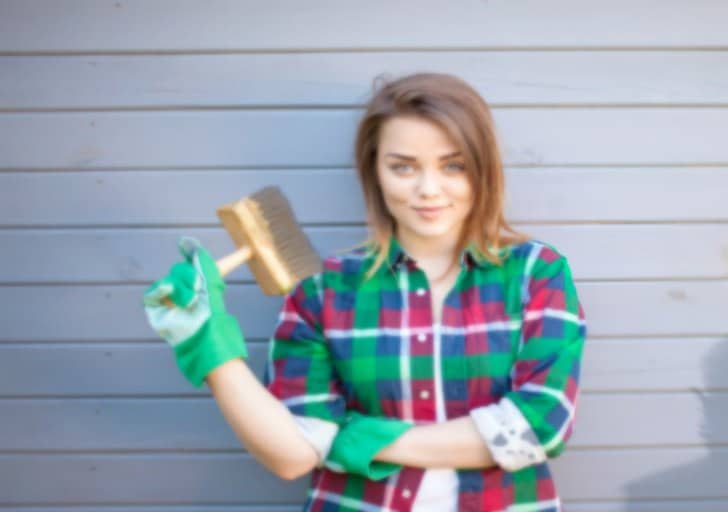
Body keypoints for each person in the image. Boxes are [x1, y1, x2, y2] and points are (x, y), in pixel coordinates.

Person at [142, 72, 587, 511]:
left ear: (483, 168)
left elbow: (537, 428)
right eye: (403, 167)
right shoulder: (322, 292)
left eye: (453, 165)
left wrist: (356, 436)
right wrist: (209, 345)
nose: (428, 189)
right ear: (374, 171)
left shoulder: (536, 272)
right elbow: (293, 454)